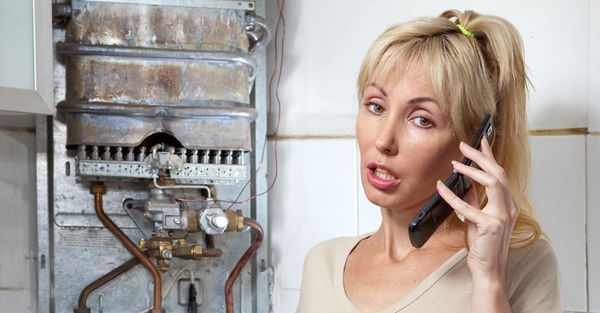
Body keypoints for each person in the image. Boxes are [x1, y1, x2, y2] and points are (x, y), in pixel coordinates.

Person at [296, 9, 561, 313]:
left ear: (475, 144)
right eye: (376, 106)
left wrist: (488, 281)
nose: (383, 141)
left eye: (422, 120)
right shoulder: (321, 264)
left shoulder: (524, 263)